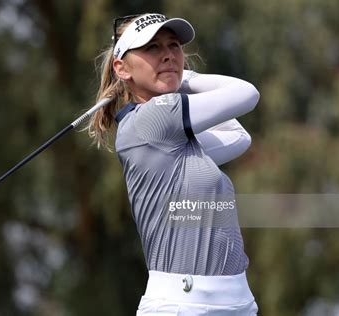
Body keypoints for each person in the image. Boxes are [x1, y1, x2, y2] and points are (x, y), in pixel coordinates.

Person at [87, 13, 260, 315]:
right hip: (184, 305)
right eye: (153, 48)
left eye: (174, 46)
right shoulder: (155, 118)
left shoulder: (176, 138)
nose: (168, 55)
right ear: (121, 68)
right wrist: (188, 79)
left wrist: (175, 78)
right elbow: (247, 94)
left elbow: (238, 135)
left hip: (237, 302)